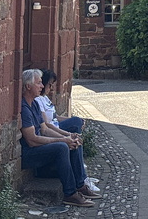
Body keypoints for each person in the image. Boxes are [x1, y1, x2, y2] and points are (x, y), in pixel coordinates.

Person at [20, 69, 101, 208]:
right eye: (39, 83)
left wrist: (68, 137)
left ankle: (80, 185)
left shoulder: (34, 104)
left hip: (39, 148)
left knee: (72, 142)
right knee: (62, 147)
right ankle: (70, 194)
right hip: (30, 154)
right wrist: (62, 140)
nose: (41, 86)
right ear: (28, 86)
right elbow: (32, 140)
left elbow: (45, 129)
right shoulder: (24, 108)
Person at [36, 69, 84, 134]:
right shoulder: (37, 100)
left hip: (57, 125)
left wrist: (71, 120)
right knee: (76, 122)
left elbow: (56, 117)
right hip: (54, 129)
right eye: (50, 85)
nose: (52, 88)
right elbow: (46, 124)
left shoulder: (45, 97)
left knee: (77, 121)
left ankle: (77, 141)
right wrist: (65, 134)